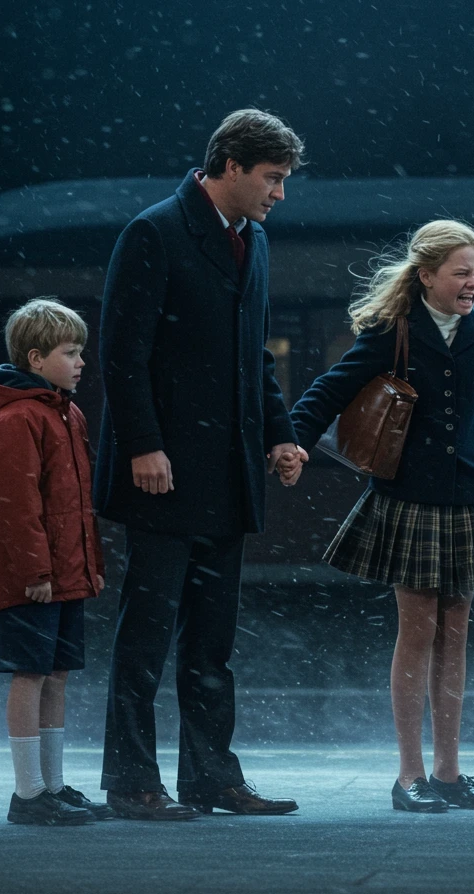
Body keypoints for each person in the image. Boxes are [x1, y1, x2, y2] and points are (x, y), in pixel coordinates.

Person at [94, 108, 309, 820]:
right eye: (272, 178)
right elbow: (122, 356)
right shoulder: (154, 232)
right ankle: (131, 783)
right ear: (231, 166)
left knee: (211, 644)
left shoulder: (255, 240)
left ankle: (211, 778)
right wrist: (144, 447)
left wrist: (280, 432)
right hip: (165, 471)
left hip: (227, 470)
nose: (279, 193)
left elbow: (256, 357)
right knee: (146, 638)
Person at [290, 220, 474, 812]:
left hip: (468, 494)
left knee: (458, 630)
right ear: (427, 277)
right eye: (462, 272)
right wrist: (290, 440)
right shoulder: (394, 330)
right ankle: (409, 775)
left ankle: (448, 772)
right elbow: (330, 389)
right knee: (417, 629)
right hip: (408, 493)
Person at [0, 297, 111, 825]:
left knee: (56, 675)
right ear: (36, 358)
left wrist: (88, 563)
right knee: (30, 674)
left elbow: (78, 505)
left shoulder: (65, 413)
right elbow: (16, 506)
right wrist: (36, 572)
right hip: (34, 578)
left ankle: (52, 786)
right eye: (70, 352)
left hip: (64, 574)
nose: (81, 362)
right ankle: (29, 793)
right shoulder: (15, 420)